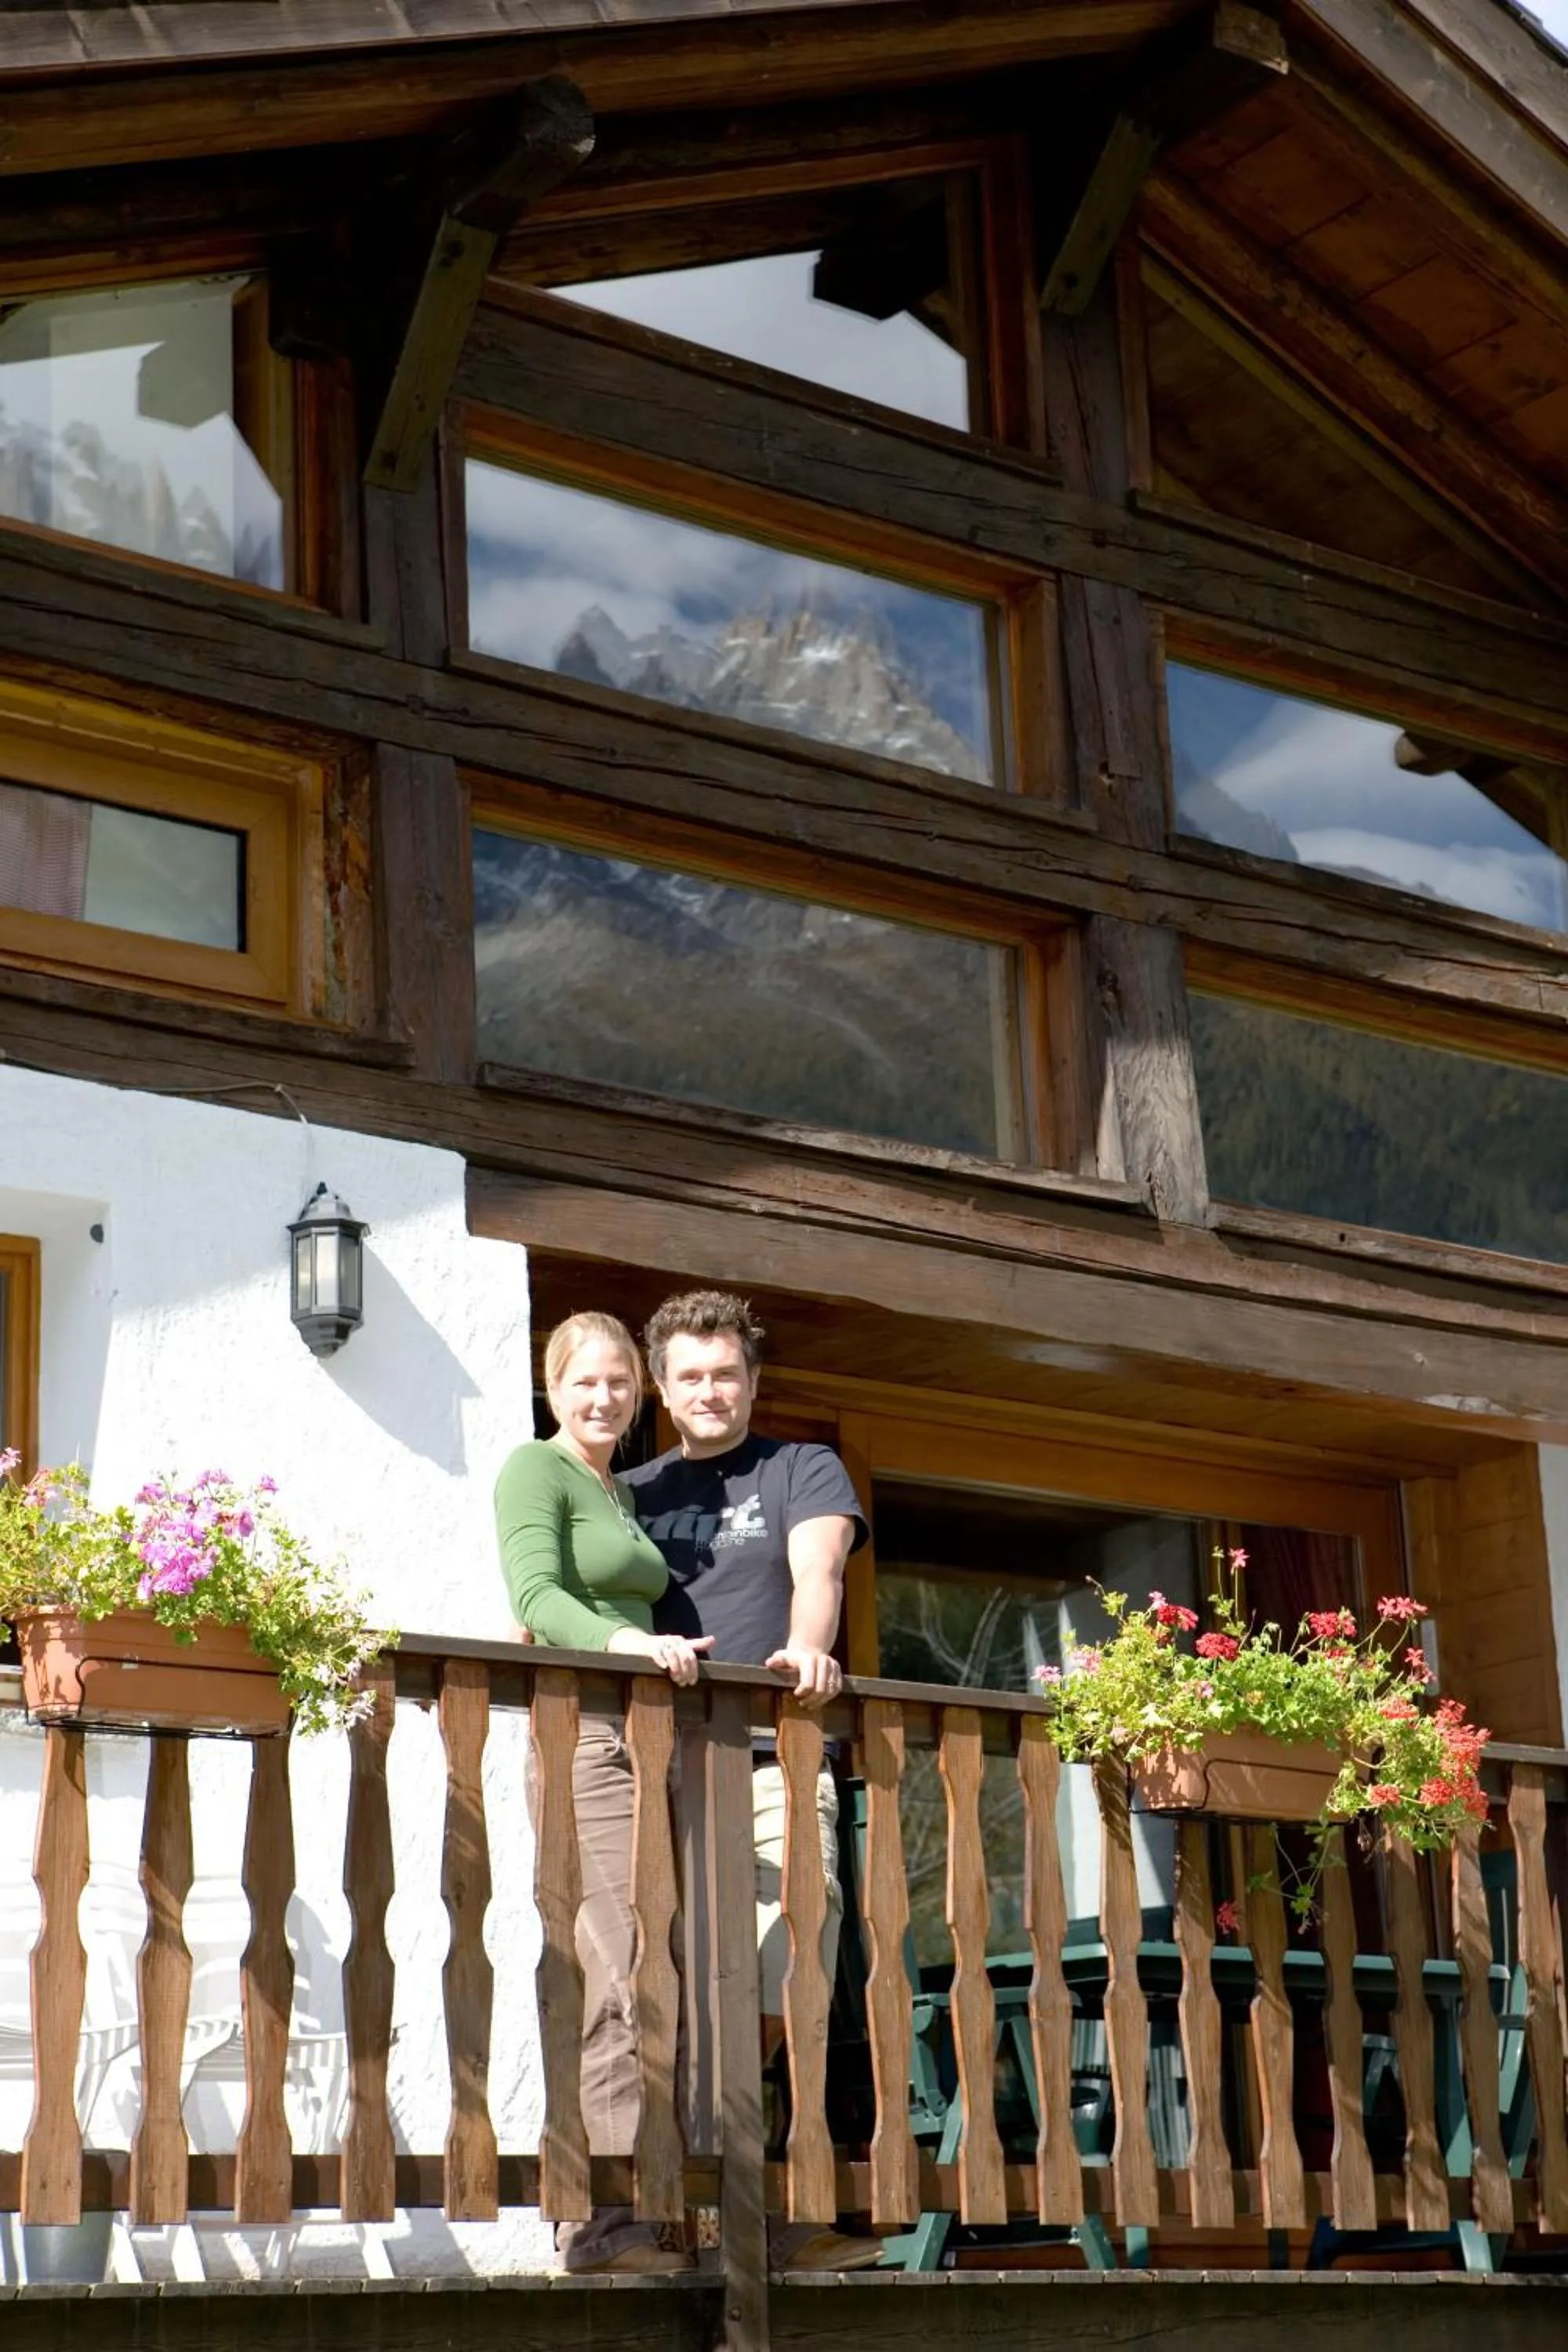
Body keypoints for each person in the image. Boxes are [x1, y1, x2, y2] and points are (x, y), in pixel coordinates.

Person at [622, 1288, 883, 2271]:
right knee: (668, 1979)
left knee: (783, 1971)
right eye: (688, 1376)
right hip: (659, 1766)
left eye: (725, 1373)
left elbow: (817, 1573)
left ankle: (744, 2197)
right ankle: (695, 2211)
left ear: (751, 1379)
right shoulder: (631, 1490)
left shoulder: (798, 1467)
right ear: (660, 1386)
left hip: (776, 1755)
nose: (709, 1391)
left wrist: (805, 1654)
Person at [494, 1309, 712, 2277]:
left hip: (641, 1734)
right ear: (553, 1387)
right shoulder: (532, 1471)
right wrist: (633, 1645)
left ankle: (666, 2211)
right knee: (615, 1963)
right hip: (581, 1733)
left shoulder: (614, 1489)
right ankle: (598, 2221)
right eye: (586, 1381)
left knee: (661, 1967)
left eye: (620, 1384)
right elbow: (536, 1597)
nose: (604, 1398)